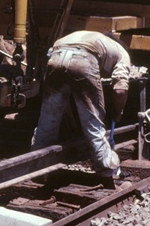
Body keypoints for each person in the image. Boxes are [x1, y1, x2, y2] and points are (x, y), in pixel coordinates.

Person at [31, 31, 131, 180]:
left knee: (48, 119)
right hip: (84, 58)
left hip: (56, 53)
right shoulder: (123, 53)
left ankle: (38, 167)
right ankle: (108, 169)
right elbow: (120, 90)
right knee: (93, 122)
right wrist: (118, 112)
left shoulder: (96, 39)